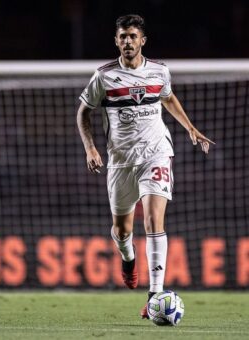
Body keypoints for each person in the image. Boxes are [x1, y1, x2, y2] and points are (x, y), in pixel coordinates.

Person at [76, 14, 213, 319]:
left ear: (142, 41)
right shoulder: (104, 76)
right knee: (123, 231)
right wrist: (90, 147)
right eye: (122, 36)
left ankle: (154, 296)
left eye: (132, 36)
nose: (127, 41)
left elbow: (168, 98)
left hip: (156, 153)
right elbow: (83, 113)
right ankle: (127, 258)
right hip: (120, 161)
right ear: (116, 41)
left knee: (153, 220)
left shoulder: (160, 71)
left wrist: (190, 128)